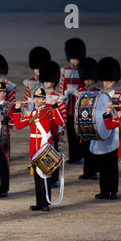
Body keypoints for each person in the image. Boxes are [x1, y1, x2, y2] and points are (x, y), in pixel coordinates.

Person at [13, 88, 65, 211]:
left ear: (43, 99)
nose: (36, 100)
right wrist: (17, 109)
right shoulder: (31, 114)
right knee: (37, 176)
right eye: (35, 98)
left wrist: (55, 105)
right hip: (34, 148)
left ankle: (46, 202)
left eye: (39, 98)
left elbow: (60, 121)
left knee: (46, 175)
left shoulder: (49, 112)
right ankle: (39, 202)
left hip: (44, 146)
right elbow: (18, 125)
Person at [91, 57, 121, 200]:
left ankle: (113, 190)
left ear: (114, 82)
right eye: (104, 81)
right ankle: (104, 190)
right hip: (100, 131)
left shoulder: (119, 96)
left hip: (113, 132)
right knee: (102, 164)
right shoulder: (97, 95)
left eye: (108, 81)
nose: (105, 83)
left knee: (112, 164)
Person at [38, 60, 67, 188]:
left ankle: (54, 179)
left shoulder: (59, 97)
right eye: (45, 81)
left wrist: (61, 133)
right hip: (43, 132)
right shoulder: (40, 97)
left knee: (54, 154)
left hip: (54, 131)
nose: (46, 84)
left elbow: (63, 117)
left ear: (54, 82)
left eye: (48, 81)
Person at [59, 38, 86, 164]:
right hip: (69, 107)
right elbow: (61, 88)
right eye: (72, 59)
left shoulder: (83, 70)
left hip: (80, 107)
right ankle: (73, 155)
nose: (74, 61)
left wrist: (76, 91)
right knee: (70, 131)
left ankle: (81, 155)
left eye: (75, 59)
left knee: (80, 132)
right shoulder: (64, 71)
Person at [76, 57, 100, 180]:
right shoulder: (80, 91)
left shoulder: (98, 92)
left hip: (93, 124)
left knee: (93, 148)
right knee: (85, 150)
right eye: (85, 80)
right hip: (83, 124)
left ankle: (94, 171)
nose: (88, 82)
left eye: (90, 79)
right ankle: (87, 172)